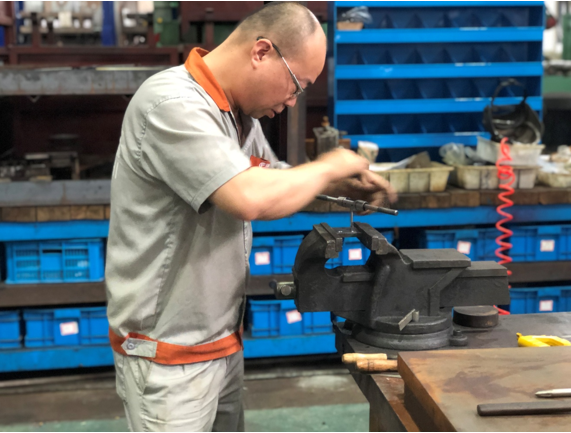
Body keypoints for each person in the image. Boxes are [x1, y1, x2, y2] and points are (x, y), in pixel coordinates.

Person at [105, 2, 395, 432]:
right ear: (261, 52)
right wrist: (327, 167)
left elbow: (270, 179)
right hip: (168, 356)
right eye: (296, 85)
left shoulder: (238, 113)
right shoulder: (172, 103)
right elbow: (247, 197)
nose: (292, 101)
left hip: (219, 341)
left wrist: (337, 188)